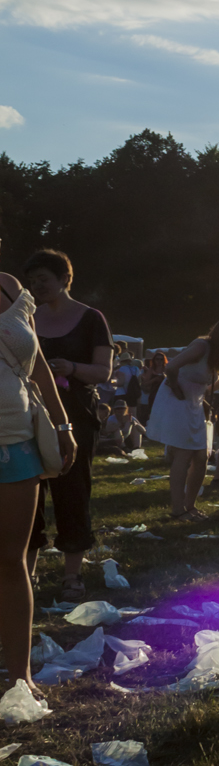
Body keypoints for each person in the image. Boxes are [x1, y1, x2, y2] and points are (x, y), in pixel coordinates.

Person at [0, 258, 77, 693]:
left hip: (16, 442)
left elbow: (40, 364)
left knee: (11, 562)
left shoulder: (10, 288)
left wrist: (63, 424)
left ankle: (19, 677)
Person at [24, 249, 113, 601]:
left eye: (43, 280)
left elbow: (103, 372)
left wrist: (70, 368)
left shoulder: (91, 319)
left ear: (64, 279)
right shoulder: (28, 317)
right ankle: (27, 571)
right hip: (31, 413)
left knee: (72, 489)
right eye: (32, 282)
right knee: (28, 490)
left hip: (75, 412)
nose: (36, 287)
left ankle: (71, 575)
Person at [145, 318, 219, 517]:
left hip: (194, 402)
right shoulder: (201, 346)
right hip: (176, 399)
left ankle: (190, 506)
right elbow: (171, 367)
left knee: (202, 456)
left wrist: (203, 395)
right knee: (184, 454)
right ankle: (178, 509)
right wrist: (176, 388)